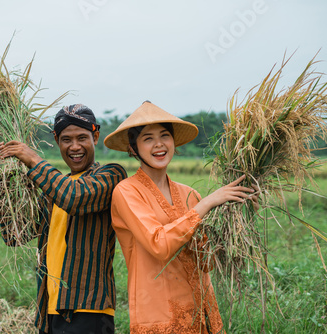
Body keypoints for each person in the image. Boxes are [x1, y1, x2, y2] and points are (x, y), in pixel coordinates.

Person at [104, 101, 259, 333]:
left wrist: (237, 217)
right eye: (147, 138)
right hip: (161, 315)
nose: (159, 144)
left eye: (165, 135)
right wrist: (207, 203)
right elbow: (159, 245)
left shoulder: (190, 194)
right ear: (133, 148)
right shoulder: (127, 191)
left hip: (202, 311)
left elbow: (206, 261)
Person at [0, 104, 127, 334]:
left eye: (82, 138)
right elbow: (14, 236)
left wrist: (31, 159)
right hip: (50, 310)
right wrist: (4, 181)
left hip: (89, 310)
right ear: (57, 140)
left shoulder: (111, 176)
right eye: (66, 139)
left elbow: (74, 198)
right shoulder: (52, 189)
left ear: (95, 136)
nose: (75, 147)